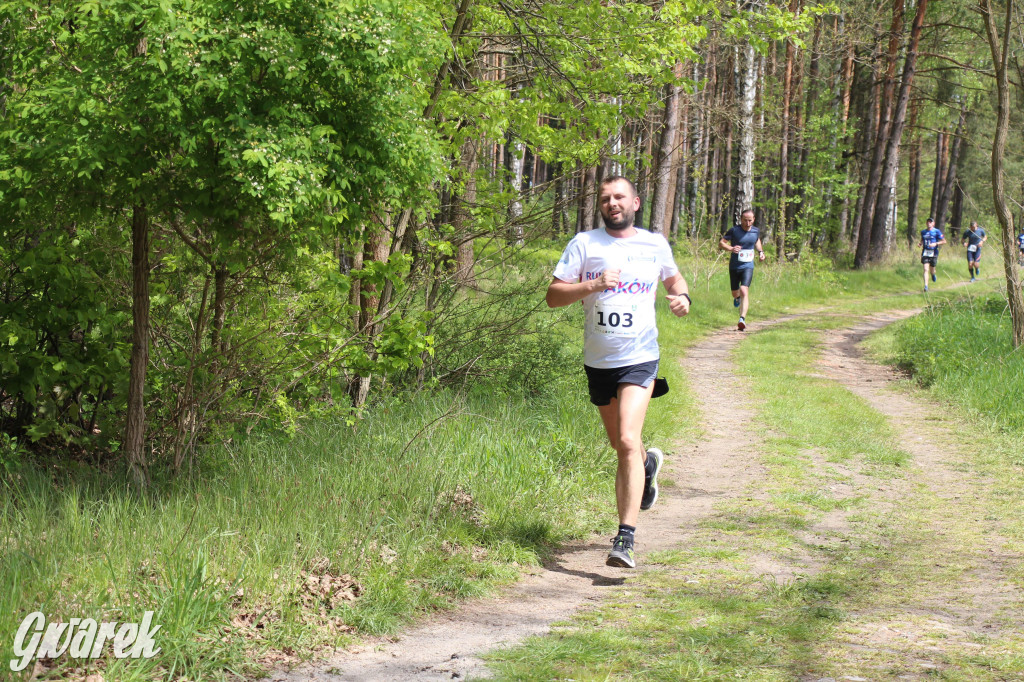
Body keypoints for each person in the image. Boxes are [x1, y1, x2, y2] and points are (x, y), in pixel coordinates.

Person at [546, 176, 691, 569]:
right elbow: (553, 296)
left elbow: (674, 278)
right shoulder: (585, 244)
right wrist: (591, 284)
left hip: (640, 355)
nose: (613, 203)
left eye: (620, 197)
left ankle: (625, 538)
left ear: (636, 203)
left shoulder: (654, 244)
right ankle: (646, 467)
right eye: (606, 198)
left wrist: (682, 297)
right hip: (598, 359)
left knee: (628, 438)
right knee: (620, 445)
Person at [719, 209, 766, 331]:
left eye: (750, 220)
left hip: (748, 266)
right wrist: (731, 248)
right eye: (745, 220)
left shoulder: (756, 231)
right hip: (734, 266)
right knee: (736, 293)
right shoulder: (734, 230)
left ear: (754, 219)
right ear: (741, 219)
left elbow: (757, 241)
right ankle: (737, 298)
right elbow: (721, 243)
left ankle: (742, 319)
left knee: (744, 290)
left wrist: (761, 252)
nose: (748, 223)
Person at [919, 217, 946, 292]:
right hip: (925, 252)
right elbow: (922, 239)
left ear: (933, 223)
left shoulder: (937, 231)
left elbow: (944, 241)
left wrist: (935, 243)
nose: (929, 223)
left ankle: (933, 274)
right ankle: (926, 286)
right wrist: (920, 243)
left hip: (933, 252)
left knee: (932, 269)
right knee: (925, 269)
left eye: (930, 222)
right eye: (927, 222)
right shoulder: (923, 232)